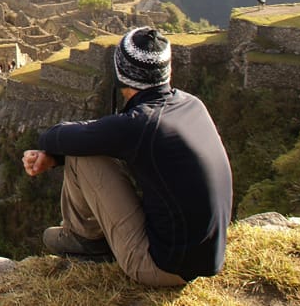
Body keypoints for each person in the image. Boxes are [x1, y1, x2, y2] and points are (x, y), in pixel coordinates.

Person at [22, 27, 232, 287]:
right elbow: (110, 137)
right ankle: (95, 238)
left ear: (121, 75)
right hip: (205, 256)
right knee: (87, 148)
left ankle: (84, 240)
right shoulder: (192, 104)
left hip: (160, 267)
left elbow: (55, 136)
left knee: (80, 154)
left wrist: (52, 152)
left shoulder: (140, 124)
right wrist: (55, 158)